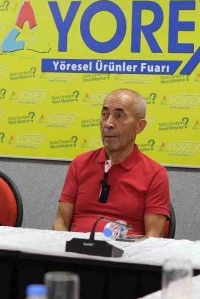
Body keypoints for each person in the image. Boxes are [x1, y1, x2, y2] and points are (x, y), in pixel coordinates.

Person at [53, 89, 170, 236]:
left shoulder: (155, 174)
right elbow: (60, 222)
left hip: (125, 249)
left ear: (139, 126)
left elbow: (153, 236)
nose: (108, 123)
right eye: (104, 114)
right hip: (78, 248)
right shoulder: (80, 164)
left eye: (119, 116)